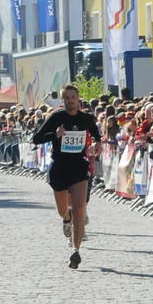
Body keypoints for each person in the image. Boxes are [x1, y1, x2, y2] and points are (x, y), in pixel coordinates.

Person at [29, 85, 102, 269]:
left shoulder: (85, 118)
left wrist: (97, 144)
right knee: (64, 210)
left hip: (79, 166)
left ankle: (76, 250)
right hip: (60, 168)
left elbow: (96, 134)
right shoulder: (56, 117)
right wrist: (55, 134)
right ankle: (66, 219)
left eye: (73, 97)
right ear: (63, 100)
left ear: (78, 99)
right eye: (67, 97)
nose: (70, 100)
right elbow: (36, 138)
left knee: (79, 209)